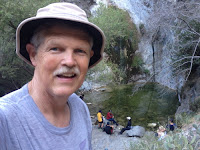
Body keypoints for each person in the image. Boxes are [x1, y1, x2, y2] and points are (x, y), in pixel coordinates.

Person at [0, 2, 105, 150]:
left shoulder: (80, 108)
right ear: (33, 54)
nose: (69, 61)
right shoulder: (5, 119)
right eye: (55, 48)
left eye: (80, 51)